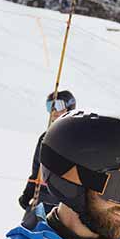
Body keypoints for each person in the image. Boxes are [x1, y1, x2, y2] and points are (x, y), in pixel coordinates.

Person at [18, 89, 76, 229]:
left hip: (64, 201)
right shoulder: (45, 137)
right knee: (28, 232)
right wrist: (28, 192)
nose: (54, 110)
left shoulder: (76, 137)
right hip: (42, 197)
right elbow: (37, 167)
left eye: (58, 105)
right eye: (50, 106)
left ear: (70, 107)